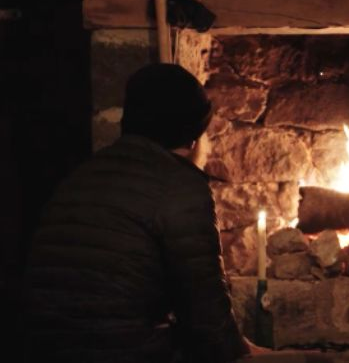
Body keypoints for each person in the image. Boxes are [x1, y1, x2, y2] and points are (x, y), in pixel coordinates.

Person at [25, 63, 266, 362]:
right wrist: (249, 354)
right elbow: (206, 317)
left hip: (43, 347)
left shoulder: (83, 173)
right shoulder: (180, 184)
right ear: (193, 135)